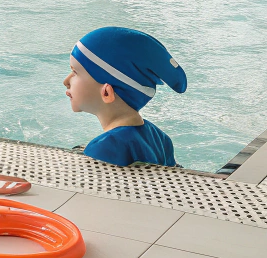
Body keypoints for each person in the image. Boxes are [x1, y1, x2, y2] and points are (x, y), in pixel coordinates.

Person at [65, 26, 186, 166]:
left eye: (75, 72)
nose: (66, 81)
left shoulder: (103, 148)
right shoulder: (160, 137)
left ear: (106, 93)